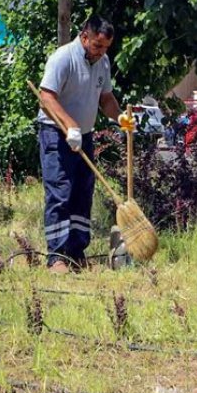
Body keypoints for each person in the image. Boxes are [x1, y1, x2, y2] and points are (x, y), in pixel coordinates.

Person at [36, 16, 134, 273]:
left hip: (84, 135)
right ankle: (56, 257)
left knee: (82, 193)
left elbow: (106, 98)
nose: (101, 52)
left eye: (105, 48)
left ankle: (76, 252)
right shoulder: (62, 58)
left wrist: (120, 117)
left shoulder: (102, 63)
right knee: (60, 192)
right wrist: (70, 125)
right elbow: (46, 98)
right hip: (56, 134)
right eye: (97, 46)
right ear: (85, 37)